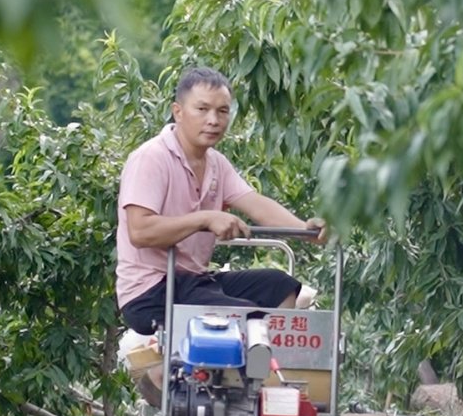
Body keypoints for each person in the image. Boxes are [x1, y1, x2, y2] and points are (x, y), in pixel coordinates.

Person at [115, 66, 326, 335]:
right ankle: (176, 373)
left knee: (279, 285)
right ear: (177, 111)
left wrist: (306, 231)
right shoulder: (152, 157)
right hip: (151, 290)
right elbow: (140, 231)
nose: (213, 120)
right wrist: (205, 218)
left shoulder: (216, 163)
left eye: (222, 111)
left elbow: (255, 203)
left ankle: (261, 370)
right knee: (250, 316)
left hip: (195, 281)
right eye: (202, 110)